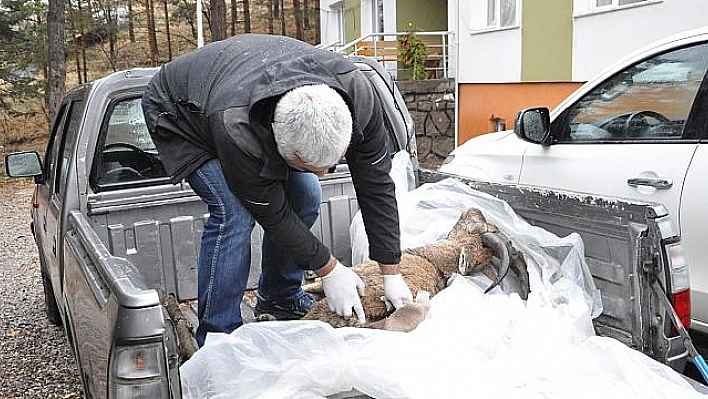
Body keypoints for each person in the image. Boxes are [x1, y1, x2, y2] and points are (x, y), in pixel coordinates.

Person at [142, 34, 413, 347]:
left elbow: (376, 185)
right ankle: (219, 335)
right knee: (234, 211)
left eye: (333, 164)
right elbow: (270, 212)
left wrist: (391, 271)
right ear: (276, 138)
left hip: (239, 84)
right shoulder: (236, 128)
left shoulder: (359, 97)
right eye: (312, 166)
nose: (326, 174)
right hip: (179, 112)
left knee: (308, 193)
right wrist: (329, 269)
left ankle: (279, 299)